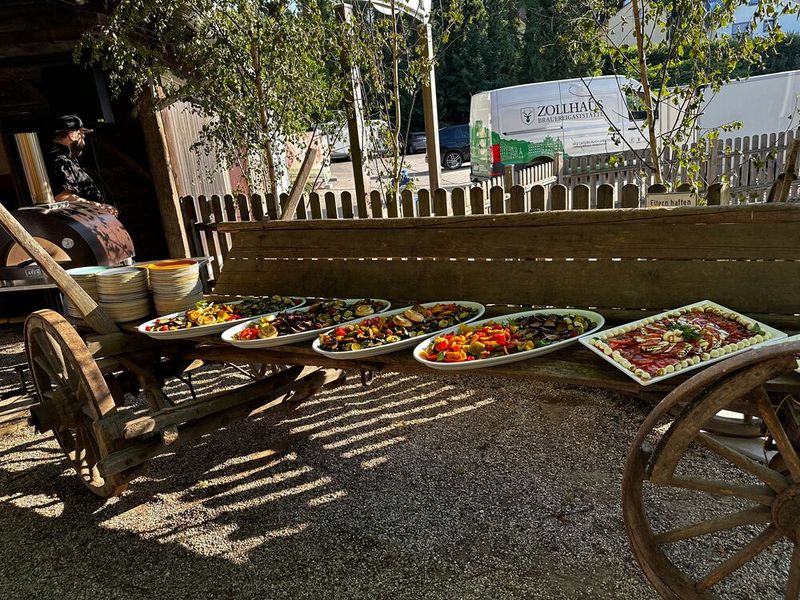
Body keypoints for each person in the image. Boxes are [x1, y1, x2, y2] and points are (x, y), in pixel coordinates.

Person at [45, 114, 117, 215]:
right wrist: (99, 207)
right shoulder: (60, 160)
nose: (84, 140)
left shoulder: (65, 158)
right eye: (82, 135)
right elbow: (63, 197)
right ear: (72, 135)